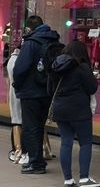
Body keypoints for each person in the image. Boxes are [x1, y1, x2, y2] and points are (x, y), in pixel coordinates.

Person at [48, 40, 100, 187]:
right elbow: (91, 88)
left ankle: (68, 179)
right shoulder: (82, 66)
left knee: (66, 142)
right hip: (79, 110)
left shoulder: (55, 66)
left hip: (60, 109)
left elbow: (49, 90)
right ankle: (84, 178)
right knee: (85, 143)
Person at [12, 15, 60, 174]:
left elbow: (20, 68)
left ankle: (35, 163)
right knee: (39, 126)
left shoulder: (31, 43)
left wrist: (16, 85)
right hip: (47, 90)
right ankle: (37, 160)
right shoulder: (53, 40)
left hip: (30, 91)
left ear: (29, 28)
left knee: (31, 127)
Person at [6, 43, 25, 164]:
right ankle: (18, 150)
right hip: (18, 94)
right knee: (17, 121)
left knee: (18, 120)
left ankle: (18, 150)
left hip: (16, 94)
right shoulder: (16, 60)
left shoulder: (13, 59)